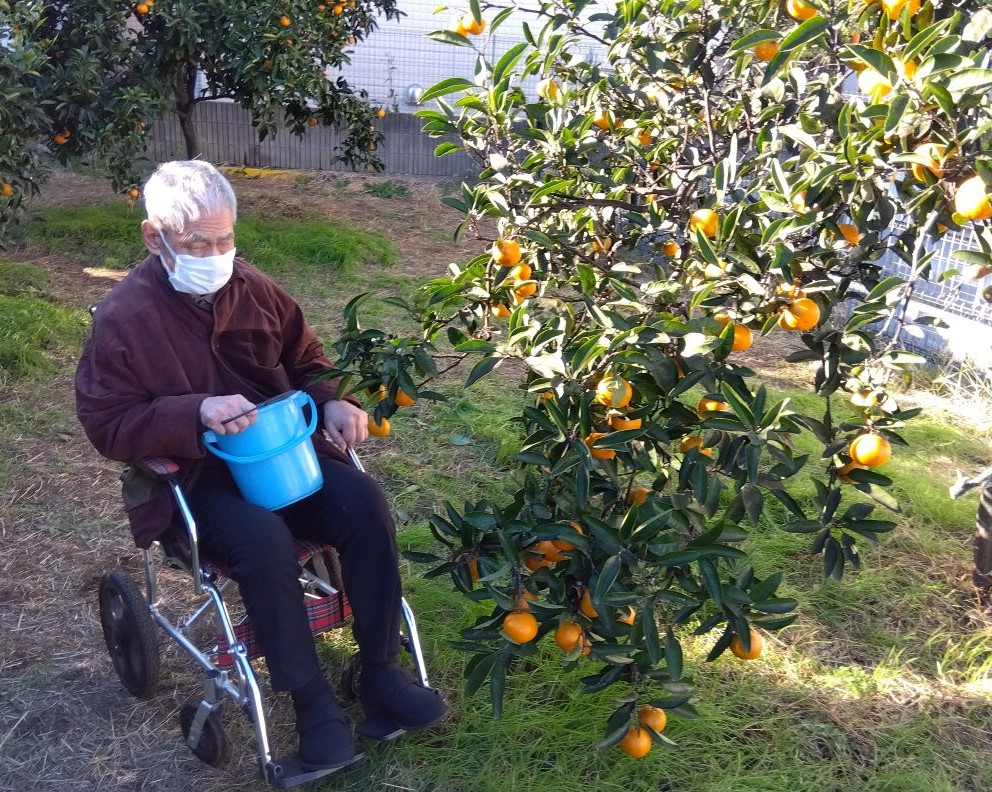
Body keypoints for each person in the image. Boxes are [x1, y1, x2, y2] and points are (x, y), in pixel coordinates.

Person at [75, 160, 446, 772]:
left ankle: (380, 671)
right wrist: (194, 412)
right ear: (154, 236)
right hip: (196, 484)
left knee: (363, 502)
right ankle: (314, 707)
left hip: (282, 462)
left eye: (225, 239)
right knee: (262, 537)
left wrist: (332, 400)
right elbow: (107, 423)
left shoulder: (253, 288)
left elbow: (308, 358)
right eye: (198, 243)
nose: (216, 254)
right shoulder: (124, 318)